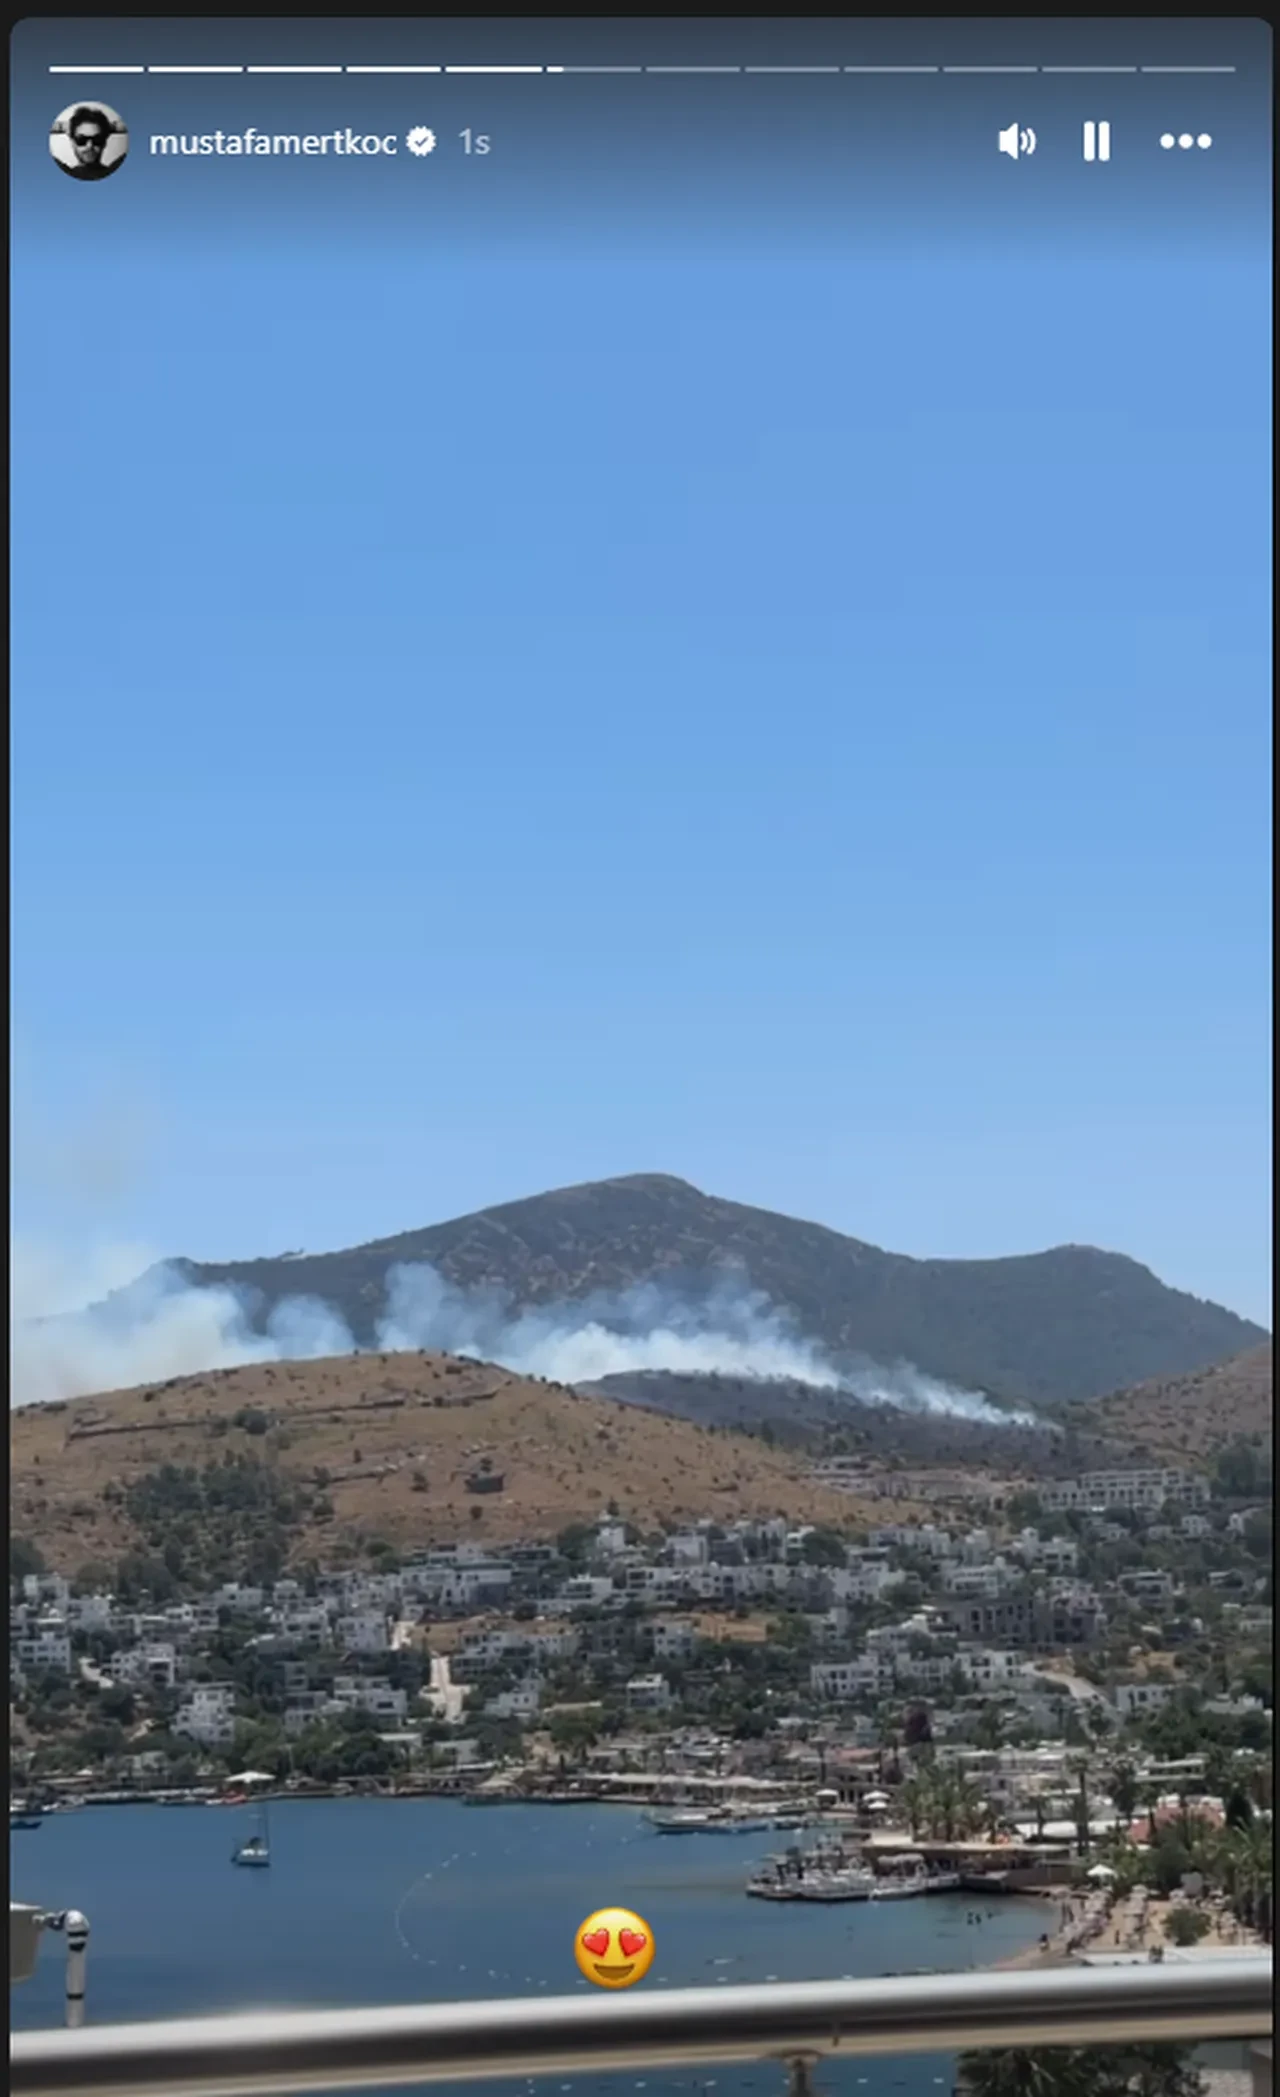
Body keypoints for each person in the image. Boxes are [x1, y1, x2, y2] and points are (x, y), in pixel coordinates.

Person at [55, 104, 127, 181]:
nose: (89, 146)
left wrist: (115, 126)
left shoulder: (114, 170)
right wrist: (60, 126)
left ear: (104, 142)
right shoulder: (64, 172)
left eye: (97, 140)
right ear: (72, 142)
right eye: (81, 140)